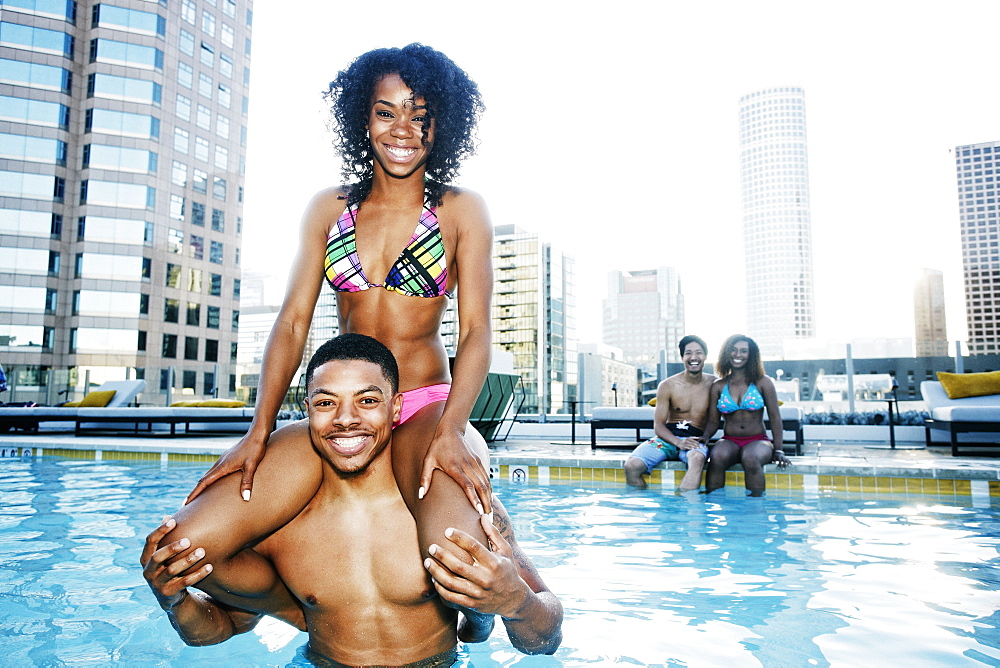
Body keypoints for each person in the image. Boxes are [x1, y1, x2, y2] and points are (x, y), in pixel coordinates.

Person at [185, 45, 496, 548]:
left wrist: (452, 429)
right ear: (363, 119)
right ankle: (288, 607)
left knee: (459, 552)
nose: (402, 130)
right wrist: (258, 430)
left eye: (421, 116)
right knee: (187, 541)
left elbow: (477, 332)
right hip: (342, 406)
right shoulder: (329, 208)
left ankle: (478, 620)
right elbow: (291, 324)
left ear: (443, 126)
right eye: (385, 112)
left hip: (422, 404)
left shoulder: (460, 210)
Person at [141, 334, 563, 665]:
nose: (346, 420)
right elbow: (219, 628)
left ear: (396, 408)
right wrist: (174, 599)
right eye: (327, 403)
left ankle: (478, 617)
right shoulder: (278, 525)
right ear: (307, 410)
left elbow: (546, 639)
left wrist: (516, 602)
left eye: (367, 401)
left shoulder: (444, 504)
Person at [701, 334, 791, 496]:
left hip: (758, 441)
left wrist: (779, 450)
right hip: (730, 440)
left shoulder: (763, 382)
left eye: (744, 351)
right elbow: (713, 421)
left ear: (751, 355)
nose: (738, 355)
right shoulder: (718, 386)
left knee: (750, 459)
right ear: (726, 353)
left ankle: (755, 509)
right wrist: (705, 437)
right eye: (733, 350)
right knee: (717, 457)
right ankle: (712, 505)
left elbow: (775, 419)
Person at [624, 335, 716, 491]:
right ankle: (643, 503)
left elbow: (714, 420)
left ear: (705, 356)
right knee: (631, 466)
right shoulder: (667, 385)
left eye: (699, 352)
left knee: (697, 458)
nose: (694, 357)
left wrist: (705, 437)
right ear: (682, 357)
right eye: (688, 353)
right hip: (667, 438)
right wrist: (678, 442)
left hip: (694, 439)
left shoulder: (714, 384)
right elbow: (658, 425)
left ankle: (682, 508)